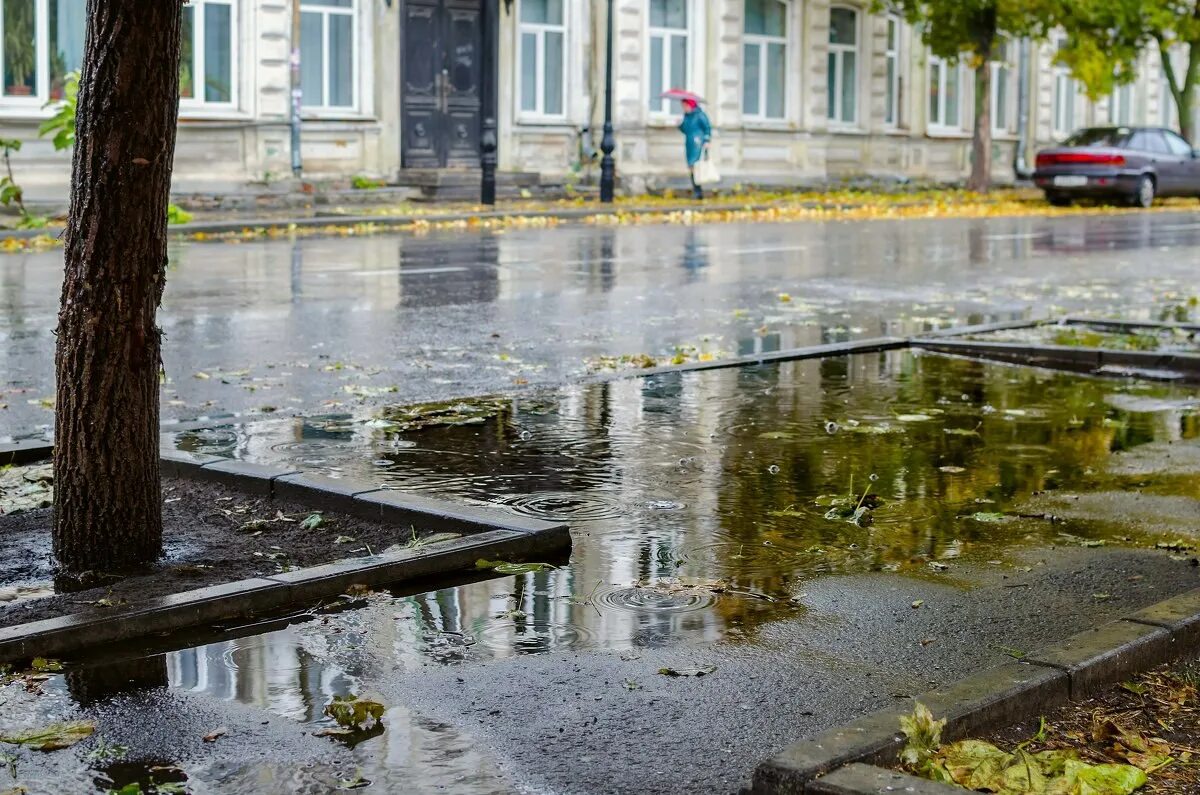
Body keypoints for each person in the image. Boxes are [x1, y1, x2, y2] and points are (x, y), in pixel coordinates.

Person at [678, 98, 711, 199]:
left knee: (695, 166)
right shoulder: (686, 116)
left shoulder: (700, 115)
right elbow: (685, 130)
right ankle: (697, 190)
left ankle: (698, 191)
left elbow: (707, 128)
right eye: (683, 106)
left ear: (690, 105)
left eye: (685, 106)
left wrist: (706, 140)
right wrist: (680, 125)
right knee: (691, 167)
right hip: (689, 143)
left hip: (698, 143)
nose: (684, 108)